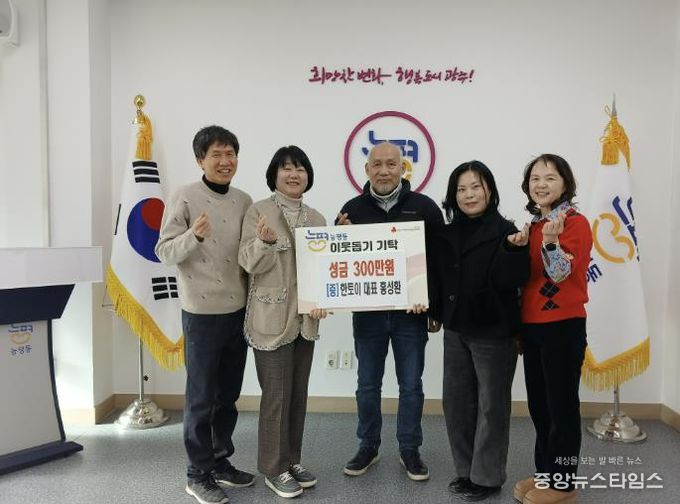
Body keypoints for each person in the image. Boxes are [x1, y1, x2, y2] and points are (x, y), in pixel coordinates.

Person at [155, 126, 255, 504]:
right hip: (201, 313)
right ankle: (197, 474)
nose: (225, 161)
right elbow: (164, 251)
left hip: (237, 310)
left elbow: (247, 254)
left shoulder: (244, 200)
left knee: (227, 396)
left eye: (230, 154)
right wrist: (193, 236)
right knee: (201, 397)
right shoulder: (184, 197)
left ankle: (219, 461)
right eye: (216, 154)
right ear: (200, 160)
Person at [336, 141, 444, 481]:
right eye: (377, 164)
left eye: (391, 164)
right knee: (367, 385)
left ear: (402, 168)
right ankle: (368, 445)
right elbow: (338, 261)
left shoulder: (425, 208)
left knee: (411, 385)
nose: (384, 171)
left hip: (411, 315)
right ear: (367, 169)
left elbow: (439, 262)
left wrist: (436, 307)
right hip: (368, 315)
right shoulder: (351, 210)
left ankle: (409, 449)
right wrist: (341, 237)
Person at [428, 161, 529, 501]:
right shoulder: (446, 232)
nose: (469, 195)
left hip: (494, 331)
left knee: (491, 406)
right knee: (456, 402)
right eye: (461, 189)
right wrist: (436, 312)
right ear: (453, 195)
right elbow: (439, 276)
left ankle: (487, 477)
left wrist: (514, 250)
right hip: (456, 328)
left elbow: (514, 281)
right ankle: (465, 470)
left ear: (490, 191)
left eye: (476, 187)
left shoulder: (507, 232)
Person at [238, 145, 327, 499]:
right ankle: (274, 469)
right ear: (274, 175)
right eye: (287, 168)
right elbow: (247, 262)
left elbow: (323, 271)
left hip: (306, 319)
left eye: (300, 168)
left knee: (298, 394)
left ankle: (292, 460)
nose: (294, 174)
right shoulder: (258, 211)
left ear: (308, 176)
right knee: (276, 395)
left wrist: (322, 300)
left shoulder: (317, 218)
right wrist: (264, 243)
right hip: (270, 317)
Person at [513, 154, 593, 504]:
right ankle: (545, 473)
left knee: (561, 407)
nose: (541, 184)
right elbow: (525, 283)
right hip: (532, 328)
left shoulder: (574, 223)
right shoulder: (533, 225)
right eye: (535, 178)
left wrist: (550, 242)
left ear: (565, 184)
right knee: (540, 406)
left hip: (563, 326)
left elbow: (559, 273)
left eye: (550, 178)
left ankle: (563, 483)